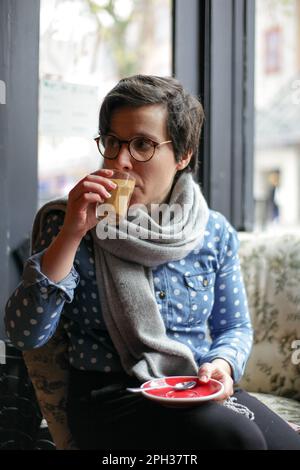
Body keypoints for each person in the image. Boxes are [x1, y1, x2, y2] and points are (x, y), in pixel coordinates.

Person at [4, 75, 300, 450]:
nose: (120, 161)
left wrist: (222, 365)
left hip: (192, 387)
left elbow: (235, 327)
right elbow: (24, 333)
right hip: (112, 399)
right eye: (112, 142)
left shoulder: (212, 231)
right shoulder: (72, 221)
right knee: (236, 438)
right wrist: (71, 234)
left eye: (142, 144)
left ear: (183, 155)